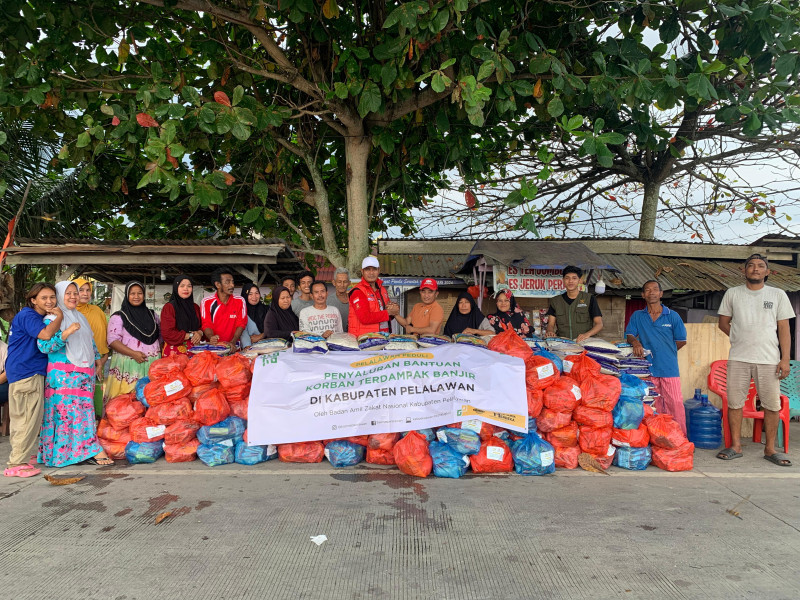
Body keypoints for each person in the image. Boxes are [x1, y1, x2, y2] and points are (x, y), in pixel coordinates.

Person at [716, 253, 795, 466]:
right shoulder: (733, 294)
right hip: (739, 358)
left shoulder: (778, 294)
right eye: (750, 265)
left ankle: (770, 449)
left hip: (769, 359)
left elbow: (784, 329)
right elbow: (723, 323)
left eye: (760, 266)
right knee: (735, 403)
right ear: (744, 270)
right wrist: (738, 337)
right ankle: (735, 446)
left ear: (767, 272)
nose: (755, 269)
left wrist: (785, 359)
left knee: (771, 404)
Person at [38, 281, 112, 467]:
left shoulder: (80, 317)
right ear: (60, 296)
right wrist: (66, 333)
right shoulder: (51, 319)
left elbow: (90, 342)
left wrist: (97, 360)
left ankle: (83, 451)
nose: (73, 296)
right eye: (68, 293)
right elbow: (45, 346)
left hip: (83, 374)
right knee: (66, 416)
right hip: (63, 378)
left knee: (83, 414)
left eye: (75, 293)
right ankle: (69, 454)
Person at [4, 283, 63, 478]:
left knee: (22, 418)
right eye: (44, 298)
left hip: (21, 372)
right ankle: (17, 463)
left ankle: (20, 456)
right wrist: (60, 317)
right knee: (28, 420)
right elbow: (45, 335)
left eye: (52, 297)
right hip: (28, 373)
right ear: (33, 300)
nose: (49, 301)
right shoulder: (29, 315)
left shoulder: (32, 316)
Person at [625, 280, 688, 435]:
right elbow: (629, 334)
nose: (651, 292)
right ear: (643, 295)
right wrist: (635, 342)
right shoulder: (638, 316)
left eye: (655, 289)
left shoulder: (672, 316)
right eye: (647, 290)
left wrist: (666, 352)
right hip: (647, 368)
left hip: (669, 368)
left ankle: (679, 439)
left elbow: (681, 341)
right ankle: (659, 438)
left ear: (661, 294)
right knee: (653, 405)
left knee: (675, 404)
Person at [105, 281, 161, 401]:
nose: (136, 296)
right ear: (126, 295)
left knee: (150, 400)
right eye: (132, 293)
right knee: (127, 404)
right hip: (129, 367)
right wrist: (133, 354)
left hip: (151, 366)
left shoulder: (152, 315)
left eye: (140, 293)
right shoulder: (119, 317)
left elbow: (159, 337)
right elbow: (112, 341)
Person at [73, 277, 109, 416]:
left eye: (88, 290)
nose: (85, 293)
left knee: (96, 399)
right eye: (81, 290)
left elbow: (104, 336)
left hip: (100, 362)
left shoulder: (96, 310)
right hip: (78, 364)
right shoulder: (68, 313)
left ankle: (93, 427)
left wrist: (103, 360)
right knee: (79, 400)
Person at [545, 265, 603, 342]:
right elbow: (551, 324)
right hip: (563, 343)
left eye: (574, 278)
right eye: (567, 278)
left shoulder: (589, 299)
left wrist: (587, 335)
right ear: (563, 280)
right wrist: (550, 332)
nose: (570, 281)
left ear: (579, 280)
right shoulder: (555, 301)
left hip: (585, 343)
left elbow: (599, 324)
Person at [348, 256, 399, 337]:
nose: (371, 273)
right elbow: (364, 318)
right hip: (365, 340)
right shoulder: (358, 291)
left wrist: (394, 310)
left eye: (374, 269)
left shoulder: (382, 290)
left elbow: (387, 315)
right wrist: (388, 312)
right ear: (362, 271)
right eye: (367, 269)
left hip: (384, 337)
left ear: (378, 270)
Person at [201, 267, 247, 347]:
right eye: (227, 282)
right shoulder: (206, 302)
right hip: (214, 348)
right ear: (218, 284)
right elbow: (206, 324)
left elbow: (241, 324)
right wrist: (211, 337)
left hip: (234, 347)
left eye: (232, 282)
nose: (232, 285)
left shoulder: (240, 301)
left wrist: (233, 341)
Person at [160, 275, 202, 356]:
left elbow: (201, 326)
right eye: (182, 286)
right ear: (176, 288)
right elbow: (167, 333)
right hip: (174, 353)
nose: (186, 289)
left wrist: (200, 333)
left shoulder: (195, 307)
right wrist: (190, 335)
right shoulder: (169, 307)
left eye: (189, 286)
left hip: (195, 351)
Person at [240, 282, 268, 346]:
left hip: (269, 345)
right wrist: (247, 347)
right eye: (250, 294)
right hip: (251, 347)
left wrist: (261, 335)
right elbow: (243, 333)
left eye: (256, 293)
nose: (254, 297)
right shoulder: (242, 311)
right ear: (245, 295)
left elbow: (273, 327)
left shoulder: (267, 309)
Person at [326, 267, 351, 332]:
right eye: (339, 282)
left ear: (349, 283)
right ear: (334, 282)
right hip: (334, 339)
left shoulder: (354, 301)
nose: (342, 285)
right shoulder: (327, 301)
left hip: (352, 337)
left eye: (345, 282)